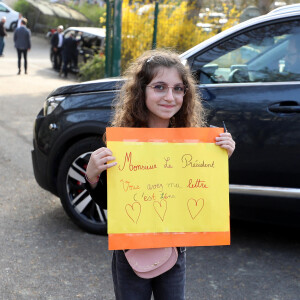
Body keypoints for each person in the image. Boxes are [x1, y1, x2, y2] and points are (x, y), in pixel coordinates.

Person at [85, 49, 235, 300]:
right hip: (131, 251)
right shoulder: (124, 142)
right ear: (141, 90)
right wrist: (92, 176)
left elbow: (203, 193)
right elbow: (109, 202)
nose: (170, 96)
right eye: (160, 87)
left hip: (174, 251)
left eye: (178, 89)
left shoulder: (194, 142)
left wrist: (219, 160)